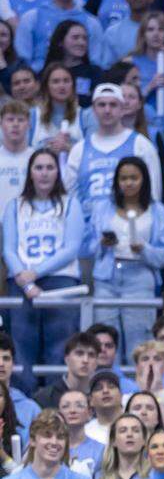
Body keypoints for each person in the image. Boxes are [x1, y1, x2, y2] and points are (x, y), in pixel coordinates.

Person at [3, 146, 83, 374]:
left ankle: (57, 402)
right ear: (30, 172)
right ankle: (22, 403)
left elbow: (71, 248)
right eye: (39, 167)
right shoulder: (15, 206)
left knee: (60, 347)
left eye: (50, 167)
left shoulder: (70, 204)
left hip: (61, 281)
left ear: (58, 172)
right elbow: (8, 249)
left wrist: (35, 273)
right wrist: (26, 282)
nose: (44, 173)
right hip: (21, 284)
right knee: (21, 347)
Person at [89, 156, 164, 358]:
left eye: (134, 178)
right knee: (104, 341)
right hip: (107, 278)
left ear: (144, 179)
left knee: (139, 341)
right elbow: (89, 247)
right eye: (123, 178)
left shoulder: (158, 211)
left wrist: (143, 249)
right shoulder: (103, 208)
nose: (128, 183)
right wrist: (102, 243)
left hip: (140, 278)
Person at [64, 83, 161, 225]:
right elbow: (70, 197)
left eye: (113, 105)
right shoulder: (79, 149)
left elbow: (153, 194)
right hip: (89, 231)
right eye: (101, 105)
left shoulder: (141, 145)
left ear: (122, 109)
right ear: (93, 110)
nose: (107, 110)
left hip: (131, 228)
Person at [14, 0, 105, 71]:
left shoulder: (91, 22)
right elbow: (23, 58)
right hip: (40, 77)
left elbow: (95, 61)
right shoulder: (32, 17)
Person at [32, 331, 97, 410]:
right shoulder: (45, 398)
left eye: (91, 355)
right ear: (67, 359)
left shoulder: (101, 397)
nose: (85, 360)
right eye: (79, 354)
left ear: (97, 362)